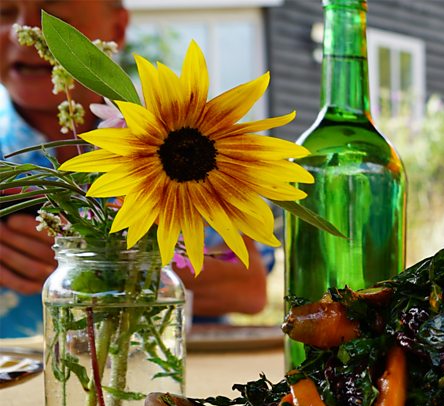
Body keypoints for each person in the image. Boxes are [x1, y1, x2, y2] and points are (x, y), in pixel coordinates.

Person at [0, 0, 267, 338]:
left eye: (56, 18)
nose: (23, 33)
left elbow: (247, 287)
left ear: (117, 28)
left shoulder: (180, 146)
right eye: (3, 14)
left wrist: (90, 260)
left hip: (175, 378)